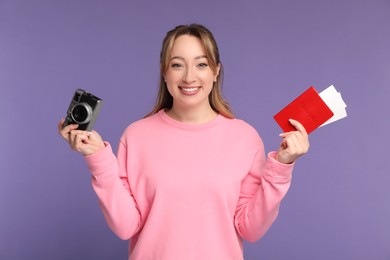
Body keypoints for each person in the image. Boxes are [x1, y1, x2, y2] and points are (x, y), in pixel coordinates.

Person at [58, 24, 309, 260]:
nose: (189, 77)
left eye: (201, 64)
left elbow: (251, 229)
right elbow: (125, 226)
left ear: (216, 72)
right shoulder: (136, 136)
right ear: (164, 72)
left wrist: (281, 169)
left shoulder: (245, 138)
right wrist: (98, 159)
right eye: (177, 65)